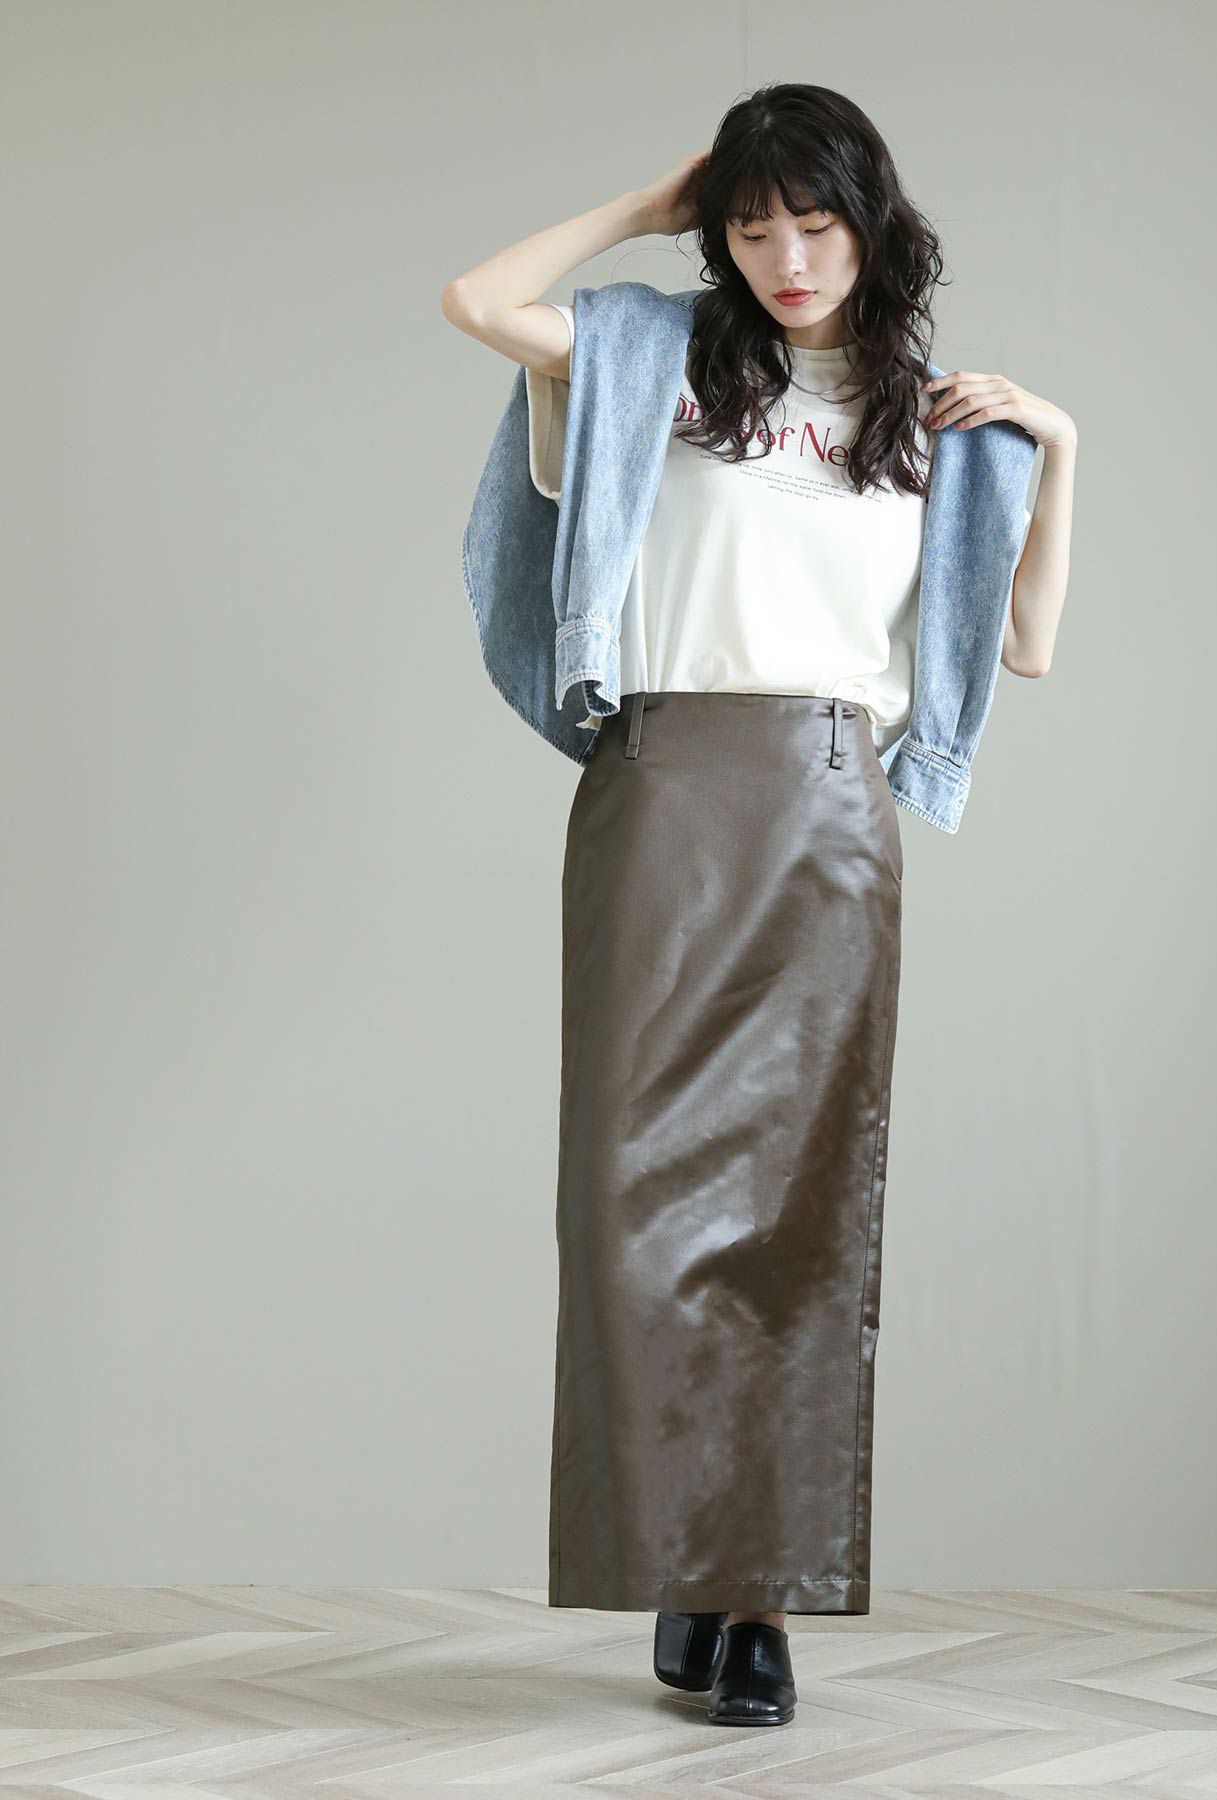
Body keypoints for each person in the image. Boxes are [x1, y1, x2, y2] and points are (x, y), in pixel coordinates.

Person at [441, 81, 1076, 1729]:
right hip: (661, 793)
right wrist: (641, 210)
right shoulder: (655, 366)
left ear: (874, 224)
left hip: (829, 811)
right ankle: (681, 1558)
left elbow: (1024, 646)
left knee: (801, 1218)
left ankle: (758, 1603)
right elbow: (477, 301)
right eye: (750, 225)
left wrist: (1062, 446)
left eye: (814, 221)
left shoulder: (933, 423)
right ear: (716, 236)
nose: (786, 257)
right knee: (633, 1209)